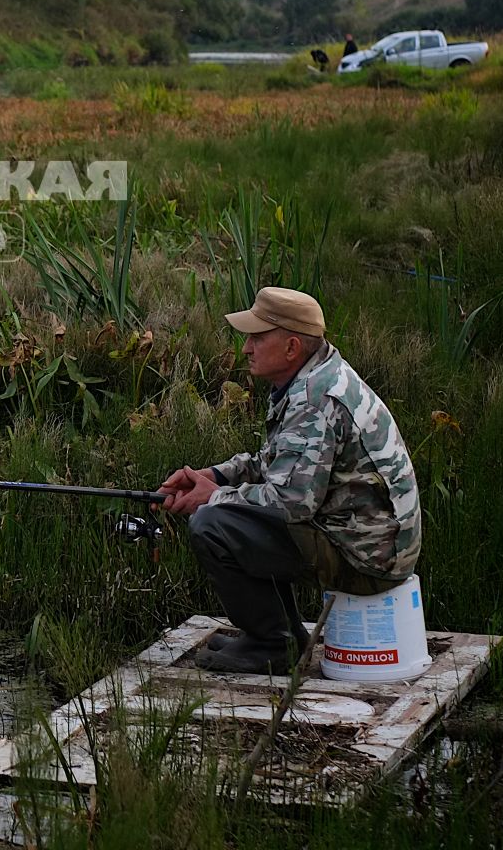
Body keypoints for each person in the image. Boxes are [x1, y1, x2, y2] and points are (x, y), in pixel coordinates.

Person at [157, 287, 421, 673]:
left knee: (214, 525)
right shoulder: (310, 379)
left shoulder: (315, 399)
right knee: (230, 513)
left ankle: (273, 646)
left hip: (369, 559)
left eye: (257, 338)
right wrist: (212, 476)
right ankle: (279, 635)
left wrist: (214, 498)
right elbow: (276, 462)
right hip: (369, 540)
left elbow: (291, 502)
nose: (246, 348)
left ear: (291, 347)